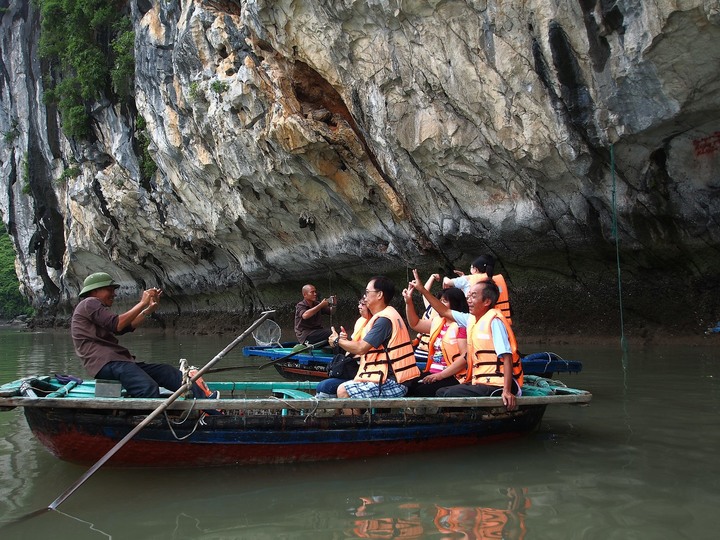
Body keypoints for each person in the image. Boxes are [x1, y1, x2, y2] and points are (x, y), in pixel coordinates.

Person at [71, 272, 216, 399]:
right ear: (95, 291)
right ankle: (155, 421)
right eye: (110, 290)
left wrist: (149, 309)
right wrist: (142, 303)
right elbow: (116, 324)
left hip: (116, 361)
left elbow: (124, 328)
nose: (114, 294)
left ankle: (204, 401)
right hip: (106, 363)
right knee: (147, 388)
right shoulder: (89, 303)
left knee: (167, 372)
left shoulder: (92, 306)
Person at [411, 269, 522, 410]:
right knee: (441, 392)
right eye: (468, 296)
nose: (468, 300)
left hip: (497, 384)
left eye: (473, 296)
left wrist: (506, 391)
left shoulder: (495, 322)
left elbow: (507, 357)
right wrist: (422, 290)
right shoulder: (471, 320)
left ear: (487, 301)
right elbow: (444, 311)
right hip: (480, 381)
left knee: (447, 394)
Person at [328, 276, 420, 399]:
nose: (365, 296)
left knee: (343, 391)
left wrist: (337, 340)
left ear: (379, 295)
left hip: (395, 382)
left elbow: (361, 348)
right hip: (384, 377)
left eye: (367, 292)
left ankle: (356, 419)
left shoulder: (384, 320)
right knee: (337, 389)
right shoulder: (383, 316)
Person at [403, 286, 469, 397]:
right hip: (434, 372)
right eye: (440, 301)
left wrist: (440, 375)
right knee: (407, 386)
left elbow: (464, 358)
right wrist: (409, 303)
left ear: (456, 304)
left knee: (422, 391)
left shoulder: (462, 325)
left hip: (453, 376)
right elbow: (415, 324)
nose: (439, 305)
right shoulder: (438, 321)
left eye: (444, 301)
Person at [315, 298, 372, 398]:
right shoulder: (360, 321)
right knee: (321, 387)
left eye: (362, 304)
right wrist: (343, 341)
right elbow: (352, 348)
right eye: (359, 303)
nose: (359, 306)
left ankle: (333, 411)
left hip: (365, 370)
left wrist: (339, 341)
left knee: (325, 386)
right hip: (354, 365)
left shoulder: (376, 324)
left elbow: (360, 349)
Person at [443, 255, 513, 324]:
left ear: (476, 269)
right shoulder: (495, 280)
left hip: (476, 319)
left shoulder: (467, 279)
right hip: (499, 317)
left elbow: (448, 282)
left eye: (471, 267)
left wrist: (445, 278)